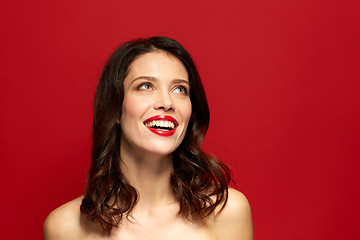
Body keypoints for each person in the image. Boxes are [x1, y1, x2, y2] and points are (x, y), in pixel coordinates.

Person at [43, 36, 253, 240]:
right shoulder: (64, 228)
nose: (166, 102)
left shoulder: (227, 212)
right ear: (115, 108)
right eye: (145, 86)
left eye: (180, 89)